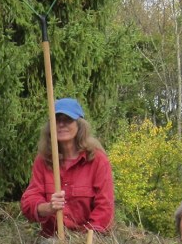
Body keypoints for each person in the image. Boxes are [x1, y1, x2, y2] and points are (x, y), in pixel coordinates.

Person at [20, 97, 114, 236]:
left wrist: (87, 239)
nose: (61, 124)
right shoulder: (43, 160)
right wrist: (48, 208)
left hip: (91, 239)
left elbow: (105, 207)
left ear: (79, 125)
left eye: (68, 119)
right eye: (57, 120)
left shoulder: (97, 160)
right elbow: (29, 201)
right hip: (52, 239)